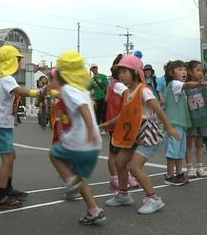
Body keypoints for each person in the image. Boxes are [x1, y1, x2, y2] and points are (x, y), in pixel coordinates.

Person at [104, 55, 179, 214]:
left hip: (147, 134)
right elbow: (124, 114)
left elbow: (158, 109)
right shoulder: (128, 92)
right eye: (120, 72)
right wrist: (107, 123)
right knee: (119, 162)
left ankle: (154, 199)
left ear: (136, 72)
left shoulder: (144, 90)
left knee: (134, 166)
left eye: (124, 71)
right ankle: (124, 195)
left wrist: (169, 128)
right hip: (133, 134)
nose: (121, 75)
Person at [45, 51, 106, 225]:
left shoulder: (68, 90)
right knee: (81, 180)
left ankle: (70, 182)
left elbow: (83, 108)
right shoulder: (81, 90)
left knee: (54, 154)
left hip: (79, 142)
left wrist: (90, 130)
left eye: (54, 76)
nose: (52, 80)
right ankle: (94, 210)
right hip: (93, 147)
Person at [0, 45, 41, 211]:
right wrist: (39, 92)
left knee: (11, 156)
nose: (20, 64)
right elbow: (20, 91)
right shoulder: (8, 79)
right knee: (7, 159)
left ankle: (7, 189)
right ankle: (1, 197)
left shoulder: (1, 78)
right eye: (18, 60)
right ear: (11, 61)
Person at [162, 60, 207, 186]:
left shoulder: (179, 86)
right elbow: (188, 84)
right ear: (171, 73)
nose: (183, 72)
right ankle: (169, 175)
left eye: (184, 69)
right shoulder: (175, 84)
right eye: (180, 69)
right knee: (173, 151)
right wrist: (199, 83)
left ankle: (178, 173)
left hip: (181, 124)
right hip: (174, 124)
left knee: (179, 151)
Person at [99, 54, 138, 190]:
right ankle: (115, 178)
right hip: (117, 123)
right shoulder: (118, 85)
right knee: (115, 153)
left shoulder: (114, 84)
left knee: (123, 151)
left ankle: (124, 176)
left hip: (120, 123)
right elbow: (131, 96)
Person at [184, 60, 207, 178]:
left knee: (200, 143)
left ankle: (200, 166)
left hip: (203, 118)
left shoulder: (204, 83)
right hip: (191, 119)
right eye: (197, 70)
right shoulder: (185, 85)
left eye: (202, 70)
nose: (200, 73)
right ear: (190, 71)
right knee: (189, 144)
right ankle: (190, 167)